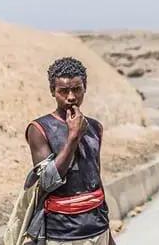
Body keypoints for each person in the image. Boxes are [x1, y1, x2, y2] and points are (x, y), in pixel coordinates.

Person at [24, 57, 116, 245]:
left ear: (85, 87)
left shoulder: (95, 127)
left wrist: (108, 232)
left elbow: (94, 179)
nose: (71, 97)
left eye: (77, 89)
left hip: (98, 229)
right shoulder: (39, 129)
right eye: (63, 91)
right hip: (62, 234)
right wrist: (73, 137)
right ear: (53, 91)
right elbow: (47, 181)